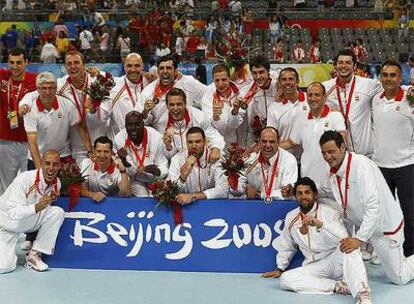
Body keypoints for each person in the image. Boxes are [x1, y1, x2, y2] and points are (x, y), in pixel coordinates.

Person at [319, 130, 414, 285]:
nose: (327, 157)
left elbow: (373, 206)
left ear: (343, 147)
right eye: (323, 153)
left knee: (399, 277)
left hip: (385, 229)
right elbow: (325, 190)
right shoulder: (332, 169)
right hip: (365, 227)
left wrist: (359, 239)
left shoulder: (361, 165)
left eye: (331, 152)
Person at [262, 177, 372, 304]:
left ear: (315, 195)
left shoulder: (330, 213)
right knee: (286, 279)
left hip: (335, 261)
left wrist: (321, 225)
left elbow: (343, 238)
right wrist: (280, 268)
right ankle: (338, 286)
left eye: (307, 192)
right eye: (300, 193)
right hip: (314, 266)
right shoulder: (291, 217)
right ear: (295, 196)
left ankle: (363, 294)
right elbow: (287, 245)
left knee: (350, 247)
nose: (304, 196)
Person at [372, 60, 414, 257]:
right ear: (380, 77)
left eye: (393, 75)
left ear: (400, 78)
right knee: (382, 214)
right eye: (385, 75)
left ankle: (410, 253)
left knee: (410, 214)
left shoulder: (410, 98)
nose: (388, 79)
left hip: (406, 165)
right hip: (380, 166)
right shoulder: (375, 99)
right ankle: (385, 253)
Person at [0, 149, 65, 273]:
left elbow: (45, 205)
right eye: (47, 163)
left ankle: (34, 255)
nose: (51, 168)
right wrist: (36, 207)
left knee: (57, 213)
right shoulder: (25, 179)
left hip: (26, 222)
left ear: (60, 165)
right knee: (5, 267)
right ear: (41, 163)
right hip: (6, 223)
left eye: (55, 164)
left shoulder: (57, 183)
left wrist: (41, 206)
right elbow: (14, 213)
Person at [18, 72, 91, 171]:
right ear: (38, 89)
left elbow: (81, 127)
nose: (48, 92)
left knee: (69, 186)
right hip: (39, 158)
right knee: (38, 186)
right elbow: (32, 143)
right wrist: (40, 170)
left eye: (51, 88)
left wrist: (90, 151)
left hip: (63, 156)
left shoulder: (67, 105)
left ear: (56, 88)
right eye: (44, 88)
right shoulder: (30, 110)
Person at [279, 82, 346, 186]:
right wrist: (267, 147)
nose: (313, 98)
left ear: (324, 98)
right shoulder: (301, 118)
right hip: (308, 178)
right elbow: (291, 143)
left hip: (332, 178)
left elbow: (343, 142)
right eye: (310, 95)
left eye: (317, 95)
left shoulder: (335, 116)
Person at [322, 49, 382, 157]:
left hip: (365, 154)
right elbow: (309, 101)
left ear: (355, 66)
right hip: (339, 156)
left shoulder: (368, 85)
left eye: (348, 63)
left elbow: (390, 88)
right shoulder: (325, 88)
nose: (344, 66)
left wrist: (409, 92)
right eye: (340, 62)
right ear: (335, 66)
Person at [56, 51, 106, 166]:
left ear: (84, 65)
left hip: (101, 139)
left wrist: (145, 75)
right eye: (69, 63)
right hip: (77, 144)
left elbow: (118, 82)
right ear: (65, 67)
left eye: (76, 62)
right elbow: (40, 88)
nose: (73, 66)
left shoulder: (96, 80)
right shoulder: (59, 86)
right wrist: (26, 104)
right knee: (83, 178)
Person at [0, 48, 37, 195]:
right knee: (5, 183)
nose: (15, 67)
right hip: (5, 140)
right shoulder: (2, 76)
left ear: (26, 63)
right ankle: (3, 214)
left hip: (29, 141)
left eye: (19, 63)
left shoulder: (35, 80)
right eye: (11, 62)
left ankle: (27, 212)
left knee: (29, 181)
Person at [137, 54, 207, 128]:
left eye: (169, 68)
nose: (165, 71)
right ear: (157, 71)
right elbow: (138, 121)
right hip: (161, 136)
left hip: (187, 135)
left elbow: (208, 94)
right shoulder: (148, 91)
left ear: (176, 70)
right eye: (161, 68)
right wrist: (145, 113)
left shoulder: (188, 82)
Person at [94, 53, 151, 141]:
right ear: (124, 67)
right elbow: (101, 116)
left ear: (142, 67)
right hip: (119, 144)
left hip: (144, 143)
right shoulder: (114, 88)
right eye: (129, 66)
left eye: (137, 65)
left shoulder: (150, 85)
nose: (133, 69)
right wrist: (93, 108)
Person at [232, 127, 297, 202]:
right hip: (253, 207)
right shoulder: (249, 160)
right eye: (264, 141)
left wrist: (260, 195)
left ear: (278, 142)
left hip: (278, 206)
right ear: (259, 142)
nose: (268, 145)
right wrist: (244, 188)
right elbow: (235, 188)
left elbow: (286, 194)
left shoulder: (289, 160)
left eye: (272, 142)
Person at [158, 88, 224, 160]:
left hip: (200, 159)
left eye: (179, 104)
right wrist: (168, 147)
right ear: (167, 105)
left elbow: (214, 135)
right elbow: (165, 157)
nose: (175, 108)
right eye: (171, 105)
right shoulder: (161, 123)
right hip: (176, 163)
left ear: (185, 104)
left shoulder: (199, 116)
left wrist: (215, 148)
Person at [168, 127, 229, 204]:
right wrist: (183, 176)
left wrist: (193, 196)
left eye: (198, 141)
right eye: (190, 142)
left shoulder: (216, 157)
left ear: (205, 142)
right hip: (187, 206)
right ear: (186, 143)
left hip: (212, 205)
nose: (193, 145)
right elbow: (172, 191)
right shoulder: (177, 159)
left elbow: (223, 190)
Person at [114, 111, 168, 197]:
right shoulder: (119, 139)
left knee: (154, 197)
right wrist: (124, 161)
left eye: (136, 124)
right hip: (134, 179)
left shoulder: (156, 138)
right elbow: (131, 172)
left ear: (143, 124)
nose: (133, 128)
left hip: (155, 178)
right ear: (125, 126)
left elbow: (163, 165)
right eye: (129, 125)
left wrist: (158, 171)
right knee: (142, 197)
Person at [267, 67, 309, 161]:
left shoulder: (310, 100)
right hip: (284, 160)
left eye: (291, 79)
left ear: (297, 82)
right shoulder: (274, 108)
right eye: (284, 79)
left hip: (308, 159)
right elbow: (271, 136)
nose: (287, 82)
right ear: (279, 83)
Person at [201, 63, 247, 148]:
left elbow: (234, 125)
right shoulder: (207, 97)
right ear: (213, 80)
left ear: (229, 78)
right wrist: (215, 118)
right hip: (216, 145)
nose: (220, 84)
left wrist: (234, 112)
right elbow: (209, 128)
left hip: (239, 143)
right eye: (217, 80)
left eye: (224, 79)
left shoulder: (240, 95)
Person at [238, 55, 278, 146]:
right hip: (256, 141)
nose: (258, 76)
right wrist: (234, 111)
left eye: (261, 72)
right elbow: (236, 122)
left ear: (268, 71)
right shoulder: (246, 92)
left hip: (279, 140)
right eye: (254, 73)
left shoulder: (279, 87)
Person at [81, 136, 131, 200]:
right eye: (99, 151)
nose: (102, 155)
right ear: (94, 152)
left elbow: (126, 194)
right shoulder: (87, 163)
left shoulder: (118, 167)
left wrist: (123, 171)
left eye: (106, 151)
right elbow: (82, 189)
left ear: (111, 153)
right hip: (92, 204)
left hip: (113, 206)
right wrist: (92, 195)